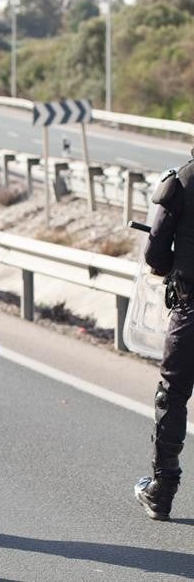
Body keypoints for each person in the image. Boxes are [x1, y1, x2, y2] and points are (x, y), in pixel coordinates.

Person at [136, 153, 194, 521]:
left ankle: (162, 491)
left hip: (191, 310)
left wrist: (174, 263)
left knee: (171, 395)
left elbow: (155, 252)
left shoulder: (184, 178)